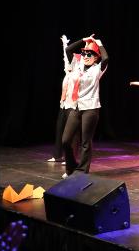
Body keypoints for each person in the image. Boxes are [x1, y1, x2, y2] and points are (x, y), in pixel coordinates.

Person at [61, 35, 109, 178]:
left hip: (90, 108)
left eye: (90, 54)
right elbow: (68, 50)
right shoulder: (76, 65)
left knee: (85, 142)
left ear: (96, 57)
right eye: (84, 53)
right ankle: (71, 167)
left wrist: (98, 43)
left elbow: (106, 58)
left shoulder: (98, 69)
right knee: (66, 140)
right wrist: (84, 40)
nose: (86, 56)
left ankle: (82, 171)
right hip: (76, 107)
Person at [47, 34, 73, 164]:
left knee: (70, 134)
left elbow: (69, 60)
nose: (67, 66)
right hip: (63, 104)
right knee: (59, 129)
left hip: (72, 105)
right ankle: (57, 155)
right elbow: (66, 58)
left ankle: (70, 158)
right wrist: (64, 45)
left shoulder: (76, 74)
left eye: (69, 64)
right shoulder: (67, 74)